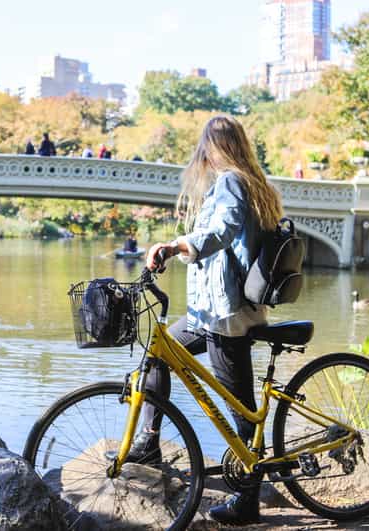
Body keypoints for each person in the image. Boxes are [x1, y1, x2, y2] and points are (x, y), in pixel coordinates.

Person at [139, 115, 284, 525]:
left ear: (214, 148)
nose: (201, 154)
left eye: (205, 146)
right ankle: (148, 444)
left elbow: (222, 229)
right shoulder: (254, 183)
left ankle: (247, 501)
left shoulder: (232, 183)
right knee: (158, 352)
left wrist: (175, 246)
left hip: (227, 315)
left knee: (239, 406)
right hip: (212, 312)